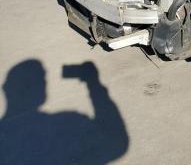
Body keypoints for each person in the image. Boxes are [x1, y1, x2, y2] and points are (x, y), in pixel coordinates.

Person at [0, 60, 128, 165]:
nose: (44, 82)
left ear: (6, 88)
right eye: (41, 78)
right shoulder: (70, 121)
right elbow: (118, 144)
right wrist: (93, 83)